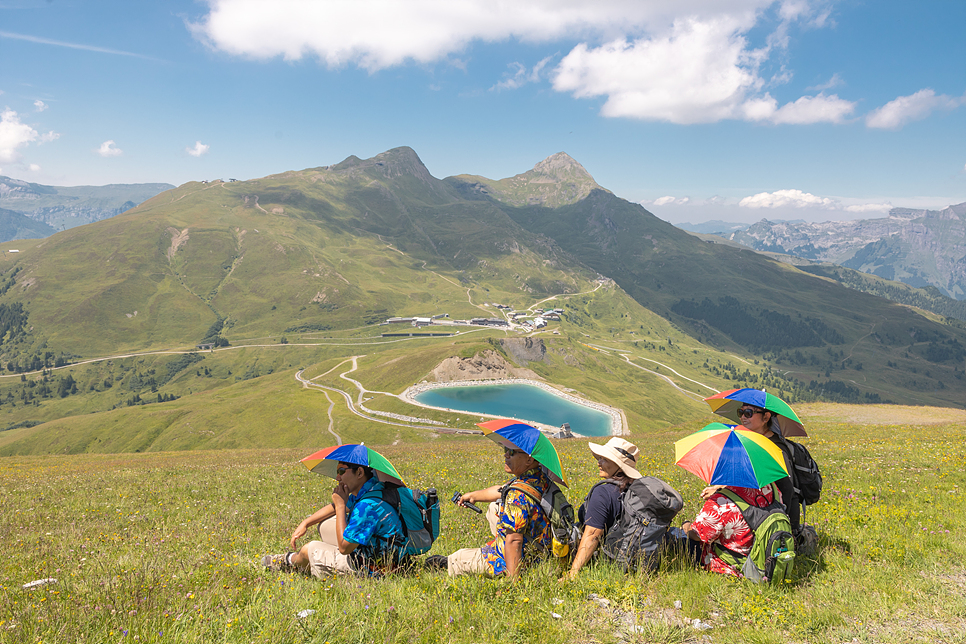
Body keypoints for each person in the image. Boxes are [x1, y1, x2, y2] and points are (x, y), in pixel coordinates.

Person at [261, 461, 405, 577]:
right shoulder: (372, 487)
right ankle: (324, 554)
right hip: (389, 553)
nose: (337, 478)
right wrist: (306, 523)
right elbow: (332, 508)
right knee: (324, 524)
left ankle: (289, 560)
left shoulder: (367, 506)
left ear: (360, 472)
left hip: (374, 566)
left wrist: (341, 505)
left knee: (309, 549)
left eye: (342, 471)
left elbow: (344, 548)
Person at [439, 445, 552, 579]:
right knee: (494, 507)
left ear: (528, 460)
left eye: (511, 452)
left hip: (525, 560)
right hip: (542, 549)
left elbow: (514, 540)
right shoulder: (537, 477)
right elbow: (501, 490)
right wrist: (473, 496)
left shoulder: (517, 496)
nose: (506, 455)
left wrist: (513, 582)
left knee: (457, 558)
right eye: (505, 450)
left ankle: (505, 566)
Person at [561, 437, 642, 580]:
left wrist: (572, 573)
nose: (599, 462)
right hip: (634, 557)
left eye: (604, 459)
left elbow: (592, 534)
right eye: (599, 458)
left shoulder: (602, 493)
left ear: (618, 465)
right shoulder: (636, 489)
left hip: (608, 559)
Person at [681, 484, 776, 577]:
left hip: (735, 562)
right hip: (765, 554)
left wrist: (685, 525)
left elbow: (698, 535)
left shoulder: (721, 501)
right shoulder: (769, 489)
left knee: (679, 537)